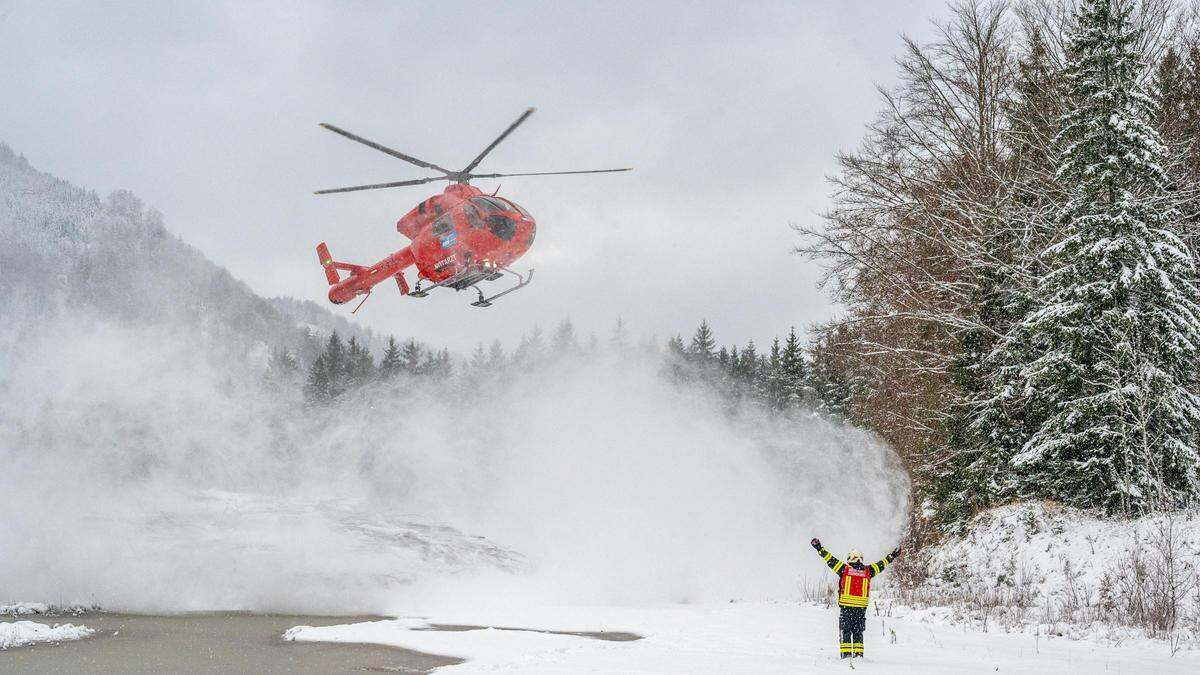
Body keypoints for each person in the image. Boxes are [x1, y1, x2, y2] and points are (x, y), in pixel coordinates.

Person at [810, 537, 901, 659]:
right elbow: (882, 563)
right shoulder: (869, 571)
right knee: (858, 632)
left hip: (847, 608)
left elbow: (829, 559)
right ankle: (859, 655)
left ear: (850, 558)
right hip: (860, 609)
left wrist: (819, 548)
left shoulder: (844, 569)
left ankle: (846, 655)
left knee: (846, 631)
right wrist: (892, 556)